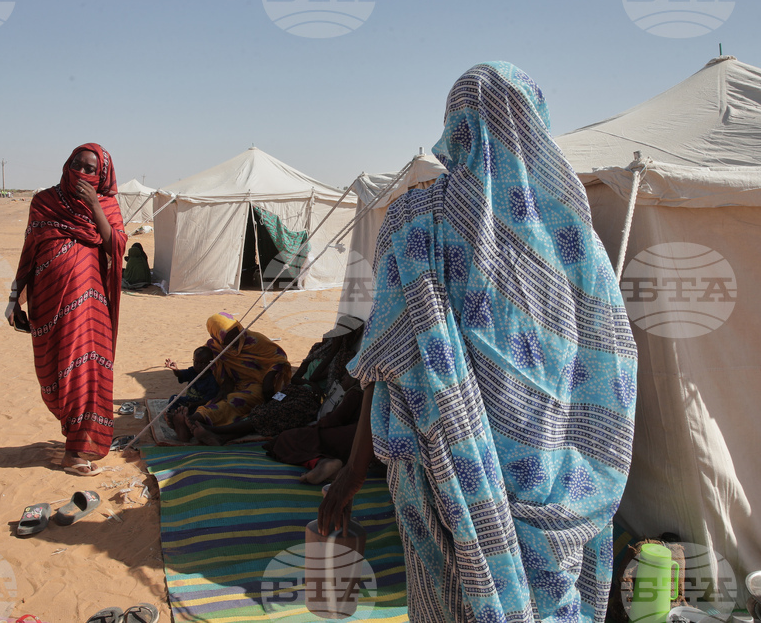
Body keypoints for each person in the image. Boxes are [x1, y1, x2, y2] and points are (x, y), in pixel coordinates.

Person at [318, 63, 638, 622]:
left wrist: (353, 470)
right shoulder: (574, 234)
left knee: (446, 603)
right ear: (537, 122)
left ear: (455, 124)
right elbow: (611, 374)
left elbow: (384, 361)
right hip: (557, 481)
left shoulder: (415, 221)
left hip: (445, 475)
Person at [6, 143, 127, 476]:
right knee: (53, 375)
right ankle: (73, 436)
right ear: (67, 164)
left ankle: (75, 451)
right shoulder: (44, 202)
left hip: (89, 307)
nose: (82, 173)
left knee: (85, 371)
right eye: (77, 165)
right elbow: (29, 251)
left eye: (91, 169)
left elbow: (116, 244)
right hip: (48, 304)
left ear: (102, 175)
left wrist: (94, 206)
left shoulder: (106, 204)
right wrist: (15, 298)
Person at [182, 316, 363, 445]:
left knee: (271, 415)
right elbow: (297, 376)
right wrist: (308, 382)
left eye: (341, 333)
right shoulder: (319, 349)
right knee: (265, 410)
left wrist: (334, 351)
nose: (333, 334)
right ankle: (217, 434)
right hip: (295, 391)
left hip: (313, 400)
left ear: (349, 337)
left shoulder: (345, 358)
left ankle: (217, 432)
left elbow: (316, 376)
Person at [175, 313, 292, 444]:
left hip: (257, 384)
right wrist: (224, 383)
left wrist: (269, 378)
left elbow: (279, 357)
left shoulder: (255, 340)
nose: (235, 338)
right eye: (228, 337)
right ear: (217, 336)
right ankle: (192, 422)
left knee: (233, 401)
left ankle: (194, 422)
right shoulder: (213, 347)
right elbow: (200, 363)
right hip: (230, 384)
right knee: (214, 401)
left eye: (236, 332)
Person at [265, 371, 364, 484]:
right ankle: (326, 467)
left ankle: (323, 462)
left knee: (288, 438)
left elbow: (334, 420)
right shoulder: (366, 393)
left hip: (349, 437)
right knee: (303, 439)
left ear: (356, 378)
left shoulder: (356, 392)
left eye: (346, 375)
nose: (342, 378)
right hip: (356, 439)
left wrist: (317, 425)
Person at [164, 346, 220, 428]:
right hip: (188, 401)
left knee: (201, 412)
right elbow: (181, 375)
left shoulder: (211, 379)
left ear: (210, 363)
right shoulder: (192, 371)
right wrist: (175, 370)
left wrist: (194, 404)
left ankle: (185, 419)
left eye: (203, 363)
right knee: (174, 398)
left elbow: (208, 399)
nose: (198, 365)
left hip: (199, 404)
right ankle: (174, 415)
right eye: (196, 362)